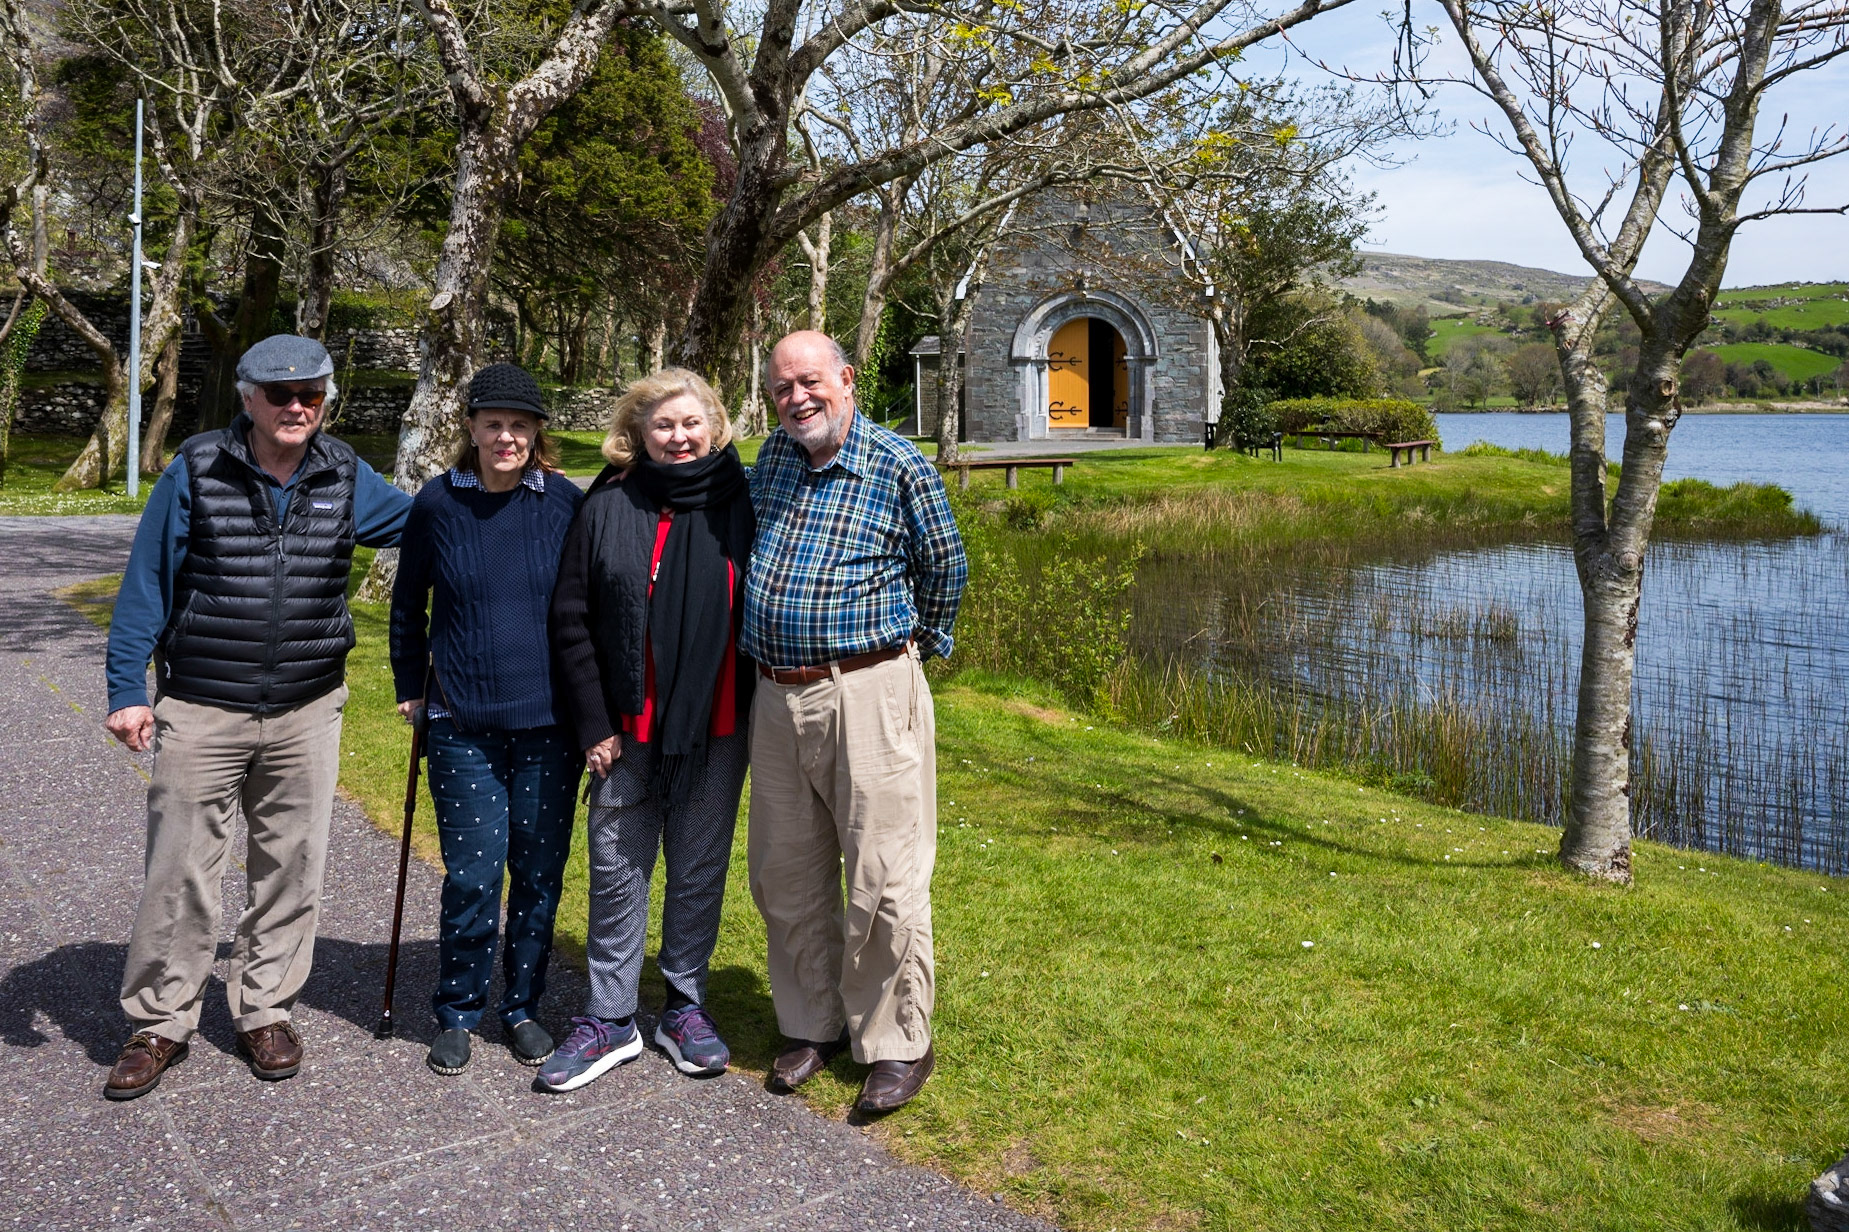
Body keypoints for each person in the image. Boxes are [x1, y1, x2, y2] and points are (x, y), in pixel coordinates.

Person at [101, 335, 411, 1100]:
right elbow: (147, 582)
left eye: (310, 393)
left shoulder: (344, 472)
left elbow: (432, 527)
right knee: (180, 868)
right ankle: (160, 1020)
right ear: (248, 399)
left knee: (291, 867)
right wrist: (126, 690)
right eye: (280, 395)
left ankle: (264, 1007)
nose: (296, 406)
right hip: (204, 703)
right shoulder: (198, 468)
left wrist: (509, 502)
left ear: (326, 399)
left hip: (308, 706)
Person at [744, 330, 967, 1113]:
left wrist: (911, 655)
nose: (796, 397)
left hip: (868, 689)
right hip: (772, 694)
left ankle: (899, 1041)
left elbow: (946, 566)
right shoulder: (772, 457)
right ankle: (813, 1024)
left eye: (809, 381)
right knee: (786, 870)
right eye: (780, 387)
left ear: (845, 378)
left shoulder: (896, 463)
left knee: (884, 875)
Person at [542, 368, 755, 1092]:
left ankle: (684, 1008)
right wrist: (593, 723)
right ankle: (609, 1018)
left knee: (698, 869)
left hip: (719, 724)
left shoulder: (746, 499)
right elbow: (570, 618)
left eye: (691, 422)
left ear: (715, 425)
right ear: (637, 433)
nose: (678, 436)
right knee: (616, 868)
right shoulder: (608, 504)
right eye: (662, 425)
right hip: (625, 729)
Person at [389, 364, 585, 1075]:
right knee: (473, 877)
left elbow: (587, 609)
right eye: (494, 423)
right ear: (470, 428)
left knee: (538, 874)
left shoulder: (564, 502)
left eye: (521, 424)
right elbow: (408, 606)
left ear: (538, 434)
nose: (507, 436)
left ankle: (523, 1006)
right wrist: (412, 687)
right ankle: (458, 1010)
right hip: (461, 722)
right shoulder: (438, 504)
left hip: (548, 726)